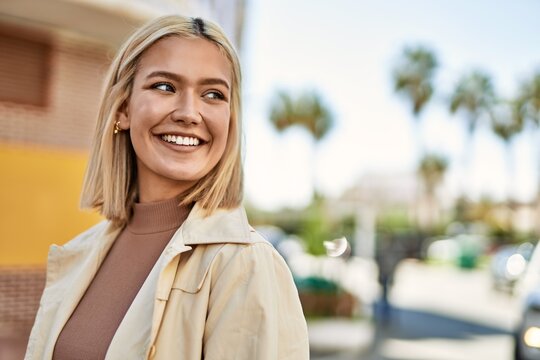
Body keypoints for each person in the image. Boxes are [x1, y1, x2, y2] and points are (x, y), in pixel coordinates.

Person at [25, 15, 309, 360]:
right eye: (165, 87)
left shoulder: (245, 265)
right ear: (123, 109)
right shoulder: (81, 252)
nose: (190, 113)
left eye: (213, 94)